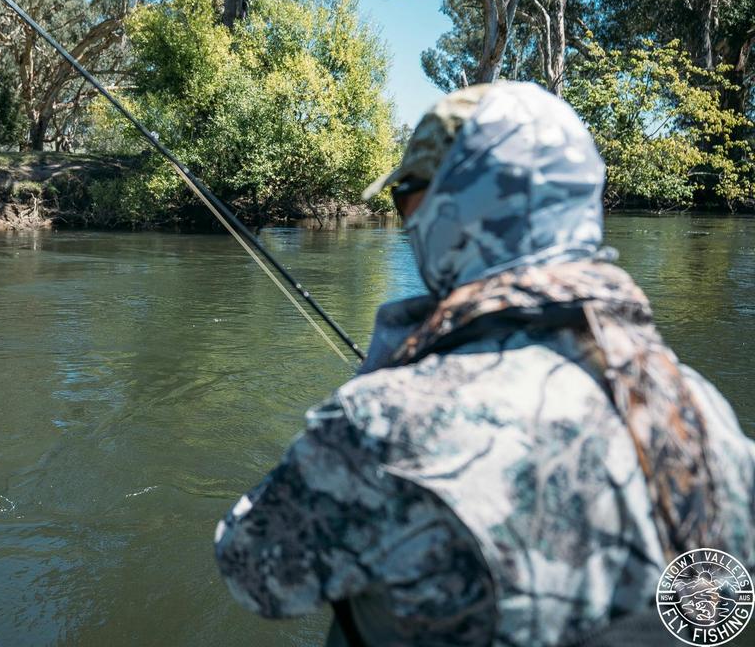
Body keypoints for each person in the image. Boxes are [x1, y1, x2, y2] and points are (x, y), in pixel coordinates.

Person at [213, 82, 755, 645]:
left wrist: (371, 394)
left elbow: (252, 572)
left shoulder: (384, 423)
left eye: (406, 200)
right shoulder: (706, 414)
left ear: (456, 208)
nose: (405, 222)